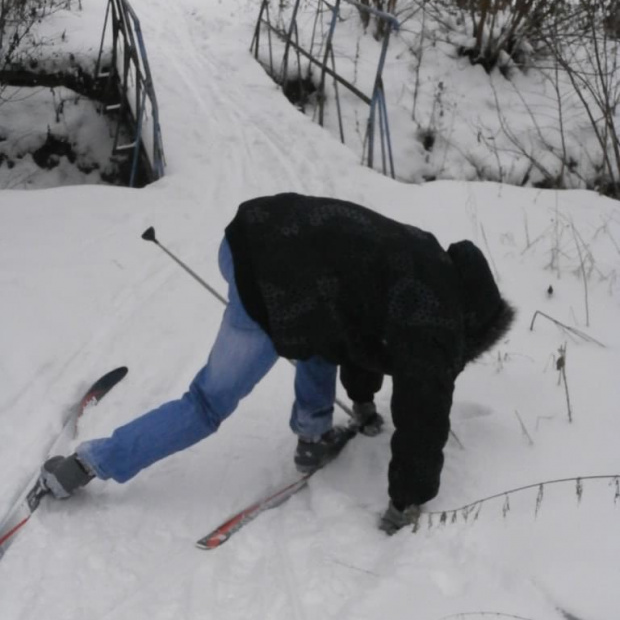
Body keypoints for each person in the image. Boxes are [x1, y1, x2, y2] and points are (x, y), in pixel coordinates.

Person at [40, 193, 515, 535]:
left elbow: (362, 328)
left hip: (254, 230)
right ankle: (86, 465)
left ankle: (313, 435)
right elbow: (423, 414)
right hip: (270, 280)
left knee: (320, 331)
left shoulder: (428, 258)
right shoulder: (434, 322)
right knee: (206, 404)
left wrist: (365, 400)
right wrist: (407, 500)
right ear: (471, 328)